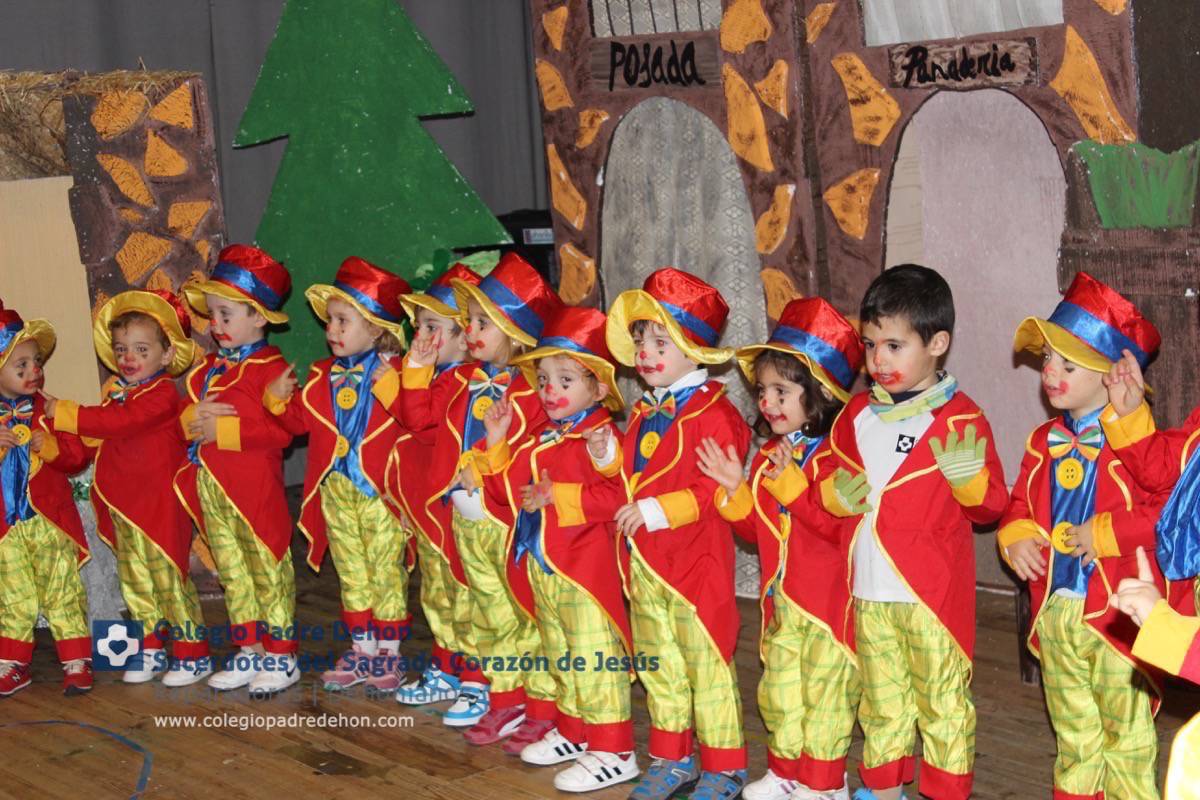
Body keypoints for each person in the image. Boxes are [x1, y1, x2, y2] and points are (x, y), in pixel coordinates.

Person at [810, 265, 1007, 800]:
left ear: (937, 343)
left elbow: (992, 509)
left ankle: (944, 792)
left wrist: (971, 485)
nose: (878, 359)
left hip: (932, 597)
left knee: (942, 703)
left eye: (895, 345)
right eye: (871, 344)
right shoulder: (854, 415)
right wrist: (828, 495)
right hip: (868, 592)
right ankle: (882, 787)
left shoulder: (963, 418)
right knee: (882, 701)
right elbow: (826, 485)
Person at [1000, 272, 1167, 799]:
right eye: (1048, 359)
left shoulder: (1140, 441)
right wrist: (1016, 535)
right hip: (1057, 610)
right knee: (1073, 734)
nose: (1049, 373)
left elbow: (1165, 514)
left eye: (1067, 364)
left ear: (1110, 376)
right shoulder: (1041, 440)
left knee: (1126, 735)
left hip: (1115, 614)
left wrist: (1106, 534)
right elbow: (1018, 503)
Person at [696, 297, 864, 800]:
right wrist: (733, 490)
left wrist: (795, 488)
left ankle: (824, 782)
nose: (767, 402)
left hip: (830, 610)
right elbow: (756, 529)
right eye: (763, 390)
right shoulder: (769, 453)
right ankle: (787, 772)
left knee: (826, 696)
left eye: (781, 391)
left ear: (819, 395)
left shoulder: (841, 457)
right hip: (782, 605)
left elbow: (840, 530)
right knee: (780, 690)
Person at [600, 267, 752, 800]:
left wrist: (659, 510)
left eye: (661, 341)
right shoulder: (643, 410)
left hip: (695, 567)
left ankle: (726, 766)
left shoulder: (719, 415)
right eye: (642, 340)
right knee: (658, 664)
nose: (645, 351)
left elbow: (718, 493)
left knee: (706, 664)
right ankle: (671, 757)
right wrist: (606, 460)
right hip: (648, 567)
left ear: (696, 349)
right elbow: (634, 475)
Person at [45, 289, 211, 687]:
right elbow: (94, 436)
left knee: (169, 580)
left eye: (141, 348)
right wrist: (52, 436)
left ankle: (193, 654)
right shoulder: (118, 393)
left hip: (159, 508)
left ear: (167, 355)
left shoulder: (161, 398)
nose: (128, 358)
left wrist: (66, 412)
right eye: (121, 349)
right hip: (124, 508)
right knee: (135, 582)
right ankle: (152, 647)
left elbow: (116, 424)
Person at [264, 256, 415, 694]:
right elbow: (297, 424)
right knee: (351, 572)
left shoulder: (399, 375)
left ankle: (389, 653)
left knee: (385, 573)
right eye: (330, 320)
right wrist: (276, 401)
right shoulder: (319, 376)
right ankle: (362, 647)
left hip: (380, 493)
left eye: (343, 321)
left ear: (376, 328)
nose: (331, 330)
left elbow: (415, 420)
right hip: (335, 490)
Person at [175, 244, 301, 696]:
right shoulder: (205, 371)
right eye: (212, 316)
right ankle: (249, 648)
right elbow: (183, 418)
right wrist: (192, 420)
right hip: (213, 489)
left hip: (253, 492)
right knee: (232, 572)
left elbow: (283, 431)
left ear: (260, 318)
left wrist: (220, 431)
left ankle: (281, 655)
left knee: (267, 570)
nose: (216, 326)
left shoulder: (271, 370)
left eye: (226, 315)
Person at [0, 301, 93, 696]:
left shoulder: (51, 410)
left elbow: (78, 457)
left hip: (48, 520)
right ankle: (13, 664)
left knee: (61, 589)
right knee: (12, 592)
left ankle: (77, 660)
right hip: (7, 526)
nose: (33, 371)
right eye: (20, 365)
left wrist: (53, 447)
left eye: (35, 362)